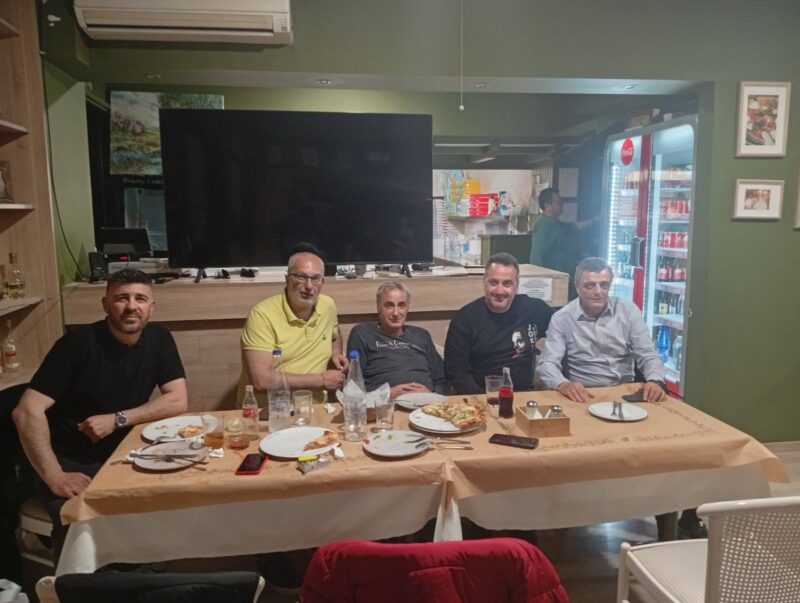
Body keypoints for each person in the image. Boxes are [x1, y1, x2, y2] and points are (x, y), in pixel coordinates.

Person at [12, 269, 188, 561]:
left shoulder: (160, 339)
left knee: (163, 505)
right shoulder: (76, 344)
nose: (131, 306)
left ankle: (146, 575)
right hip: (69, 459)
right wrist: (54, 475)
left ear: (151, 307)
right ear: (105, 304)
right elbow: (26, 411)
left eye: (140, 298)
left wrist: (117, 419)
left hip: (124, 453)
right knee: (82, 522)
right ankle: (79, 580)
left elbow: (178, 400)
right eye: (121, 298)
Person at [538, 257, 666, 403]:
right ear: (577, 287)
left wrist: (655, 380)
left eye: (604, 285)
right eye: (590, 286)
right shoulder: (562, 318)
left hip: (626, 391)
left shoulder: (628, 311)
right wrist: (563, 384)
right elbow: (547, 363)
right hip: (584, 394)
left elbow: (648, 354)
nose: (598, 291)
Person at [239, 248, 348, 405]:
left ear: (322, 282)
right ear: (287, 279)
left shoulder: (328, 305)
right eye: (301, 277)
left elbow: (335, 333)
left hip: (315, 407)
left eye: (316, 279)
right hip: (270, 409)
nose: (309, 286)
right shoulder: (262, 315)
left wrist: (336, 352)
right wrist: (321, 380)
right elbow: (261, 380)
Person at [445, 253, 554, 395]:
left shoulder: (535, 309)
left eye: (507, 283)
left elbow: (564, 329)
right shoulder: (464, 319)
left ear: (516, 285)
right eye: (494, 283)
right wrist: (483, 400)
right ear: (484, 282)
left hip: (524, 394)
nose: (500, 291)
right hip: (481, 396)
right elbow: (456, 373)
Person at [347, 281, 445, 397]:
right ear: (378, 307)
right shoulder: (362, 333)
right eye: (389, 306)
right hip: (385, 404)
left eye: (401, 305)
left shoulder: (421, 335)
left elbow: (440, 380)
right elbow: (353, 386)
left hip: (427, 403)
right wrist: (388, 394)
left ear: (407, 308)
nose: (396, 313)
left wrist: (431, 396)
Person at [530, 188, 596, 299]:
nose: (562, 204)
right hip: (555, 284)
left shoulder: (557, 224)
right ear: (547, 206)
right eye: (558, 202)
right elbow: (536, 256)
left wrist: (594, 221)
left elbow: (574, 226)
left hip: (565, 281)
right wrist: (542, 284)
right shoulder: (545, 226)